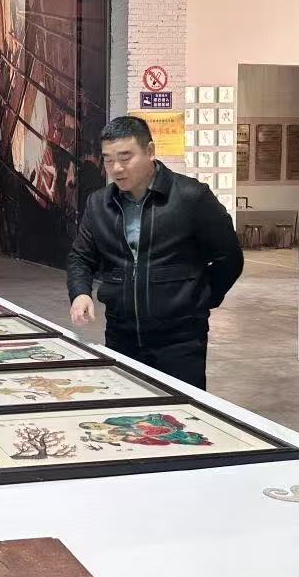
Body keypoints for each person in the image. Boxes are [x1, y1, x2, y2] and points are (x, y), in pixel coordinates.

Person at [67, 116, 243, 391]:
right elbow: (81, 257)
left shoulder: (191, 197)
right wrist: (80, 292)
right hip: (121, 334)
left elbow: (229, 257)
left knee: (180, 411)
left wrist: (198, 299)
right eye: (108, 160)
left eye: (126, 157)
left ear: (150, 151)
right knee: (125, 408)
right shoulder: (99, 204)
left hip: (180, 340)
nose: (116, 168)